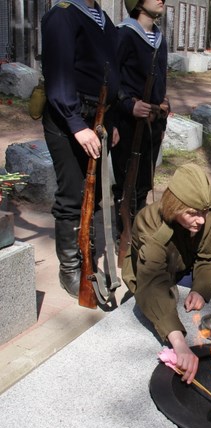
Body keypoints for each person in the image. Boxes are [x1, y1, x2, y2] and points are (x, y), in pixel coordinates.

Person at [122, 163, 211, 383]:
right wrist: (179, 343)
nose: (202, 220)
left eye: (204, 212)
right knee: (159, 303)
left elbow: (209, 255)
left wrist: (201, 288)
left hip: (185, 267)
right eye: (193, 213)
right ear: (174, 206)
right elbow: (153, 283)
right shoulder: (149, 224)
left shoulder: (205, 211)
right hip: (155, 276)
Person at [41, 0, 120, 298]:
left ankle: (88, 258)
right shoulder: (63, 15)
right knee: (73, 195)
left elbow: (111, 76)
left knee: (95, 194)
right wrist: (76, 125)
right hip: (68, 119)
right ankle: (71, 269)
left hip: (98, 118)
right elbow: (58, 76)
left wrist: (111, 124)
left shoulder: (103, 20)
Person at [112, 0, 170, 238]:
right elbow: (110, 79)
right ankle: (125, 236)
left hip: (152, 123)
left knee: (145, 183)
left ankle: (138, 233)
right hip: (128, 123)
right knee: (127, 184)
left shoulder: (160, 39)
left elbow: (161, 84)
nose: (161, 0)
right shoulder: (123, 35)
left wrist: (164, 114)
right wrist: (128, 105)